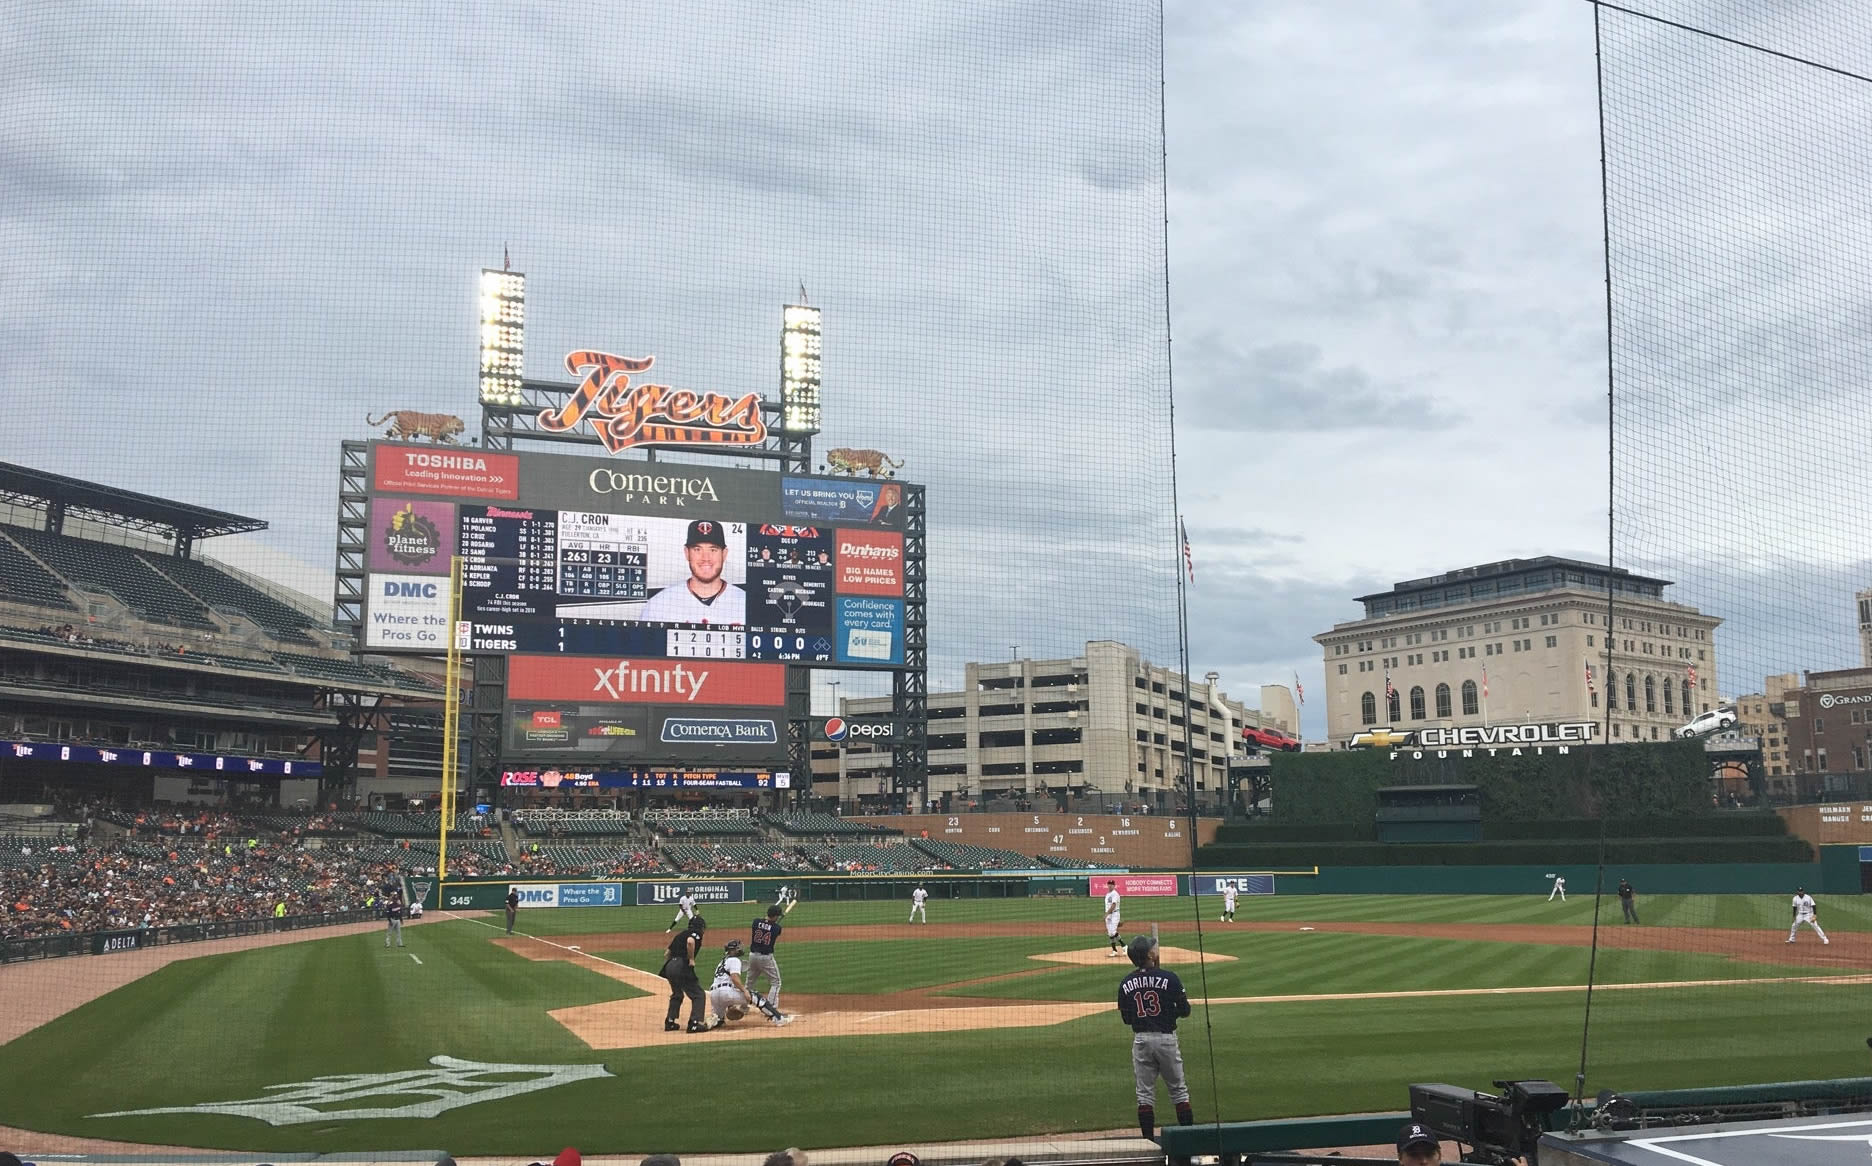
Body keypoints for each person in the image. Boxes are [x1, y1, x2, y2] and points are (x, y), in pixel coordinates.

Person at [1118, 934, 1192, 1139]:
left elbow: (1126, 1019)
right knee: (1179, 1091)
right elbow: (1185, 1010)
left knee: (1144, 1095)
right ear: (1149, 954)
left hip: (1141, 1040)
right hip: (1166, 1039)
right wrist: (1168, 1013)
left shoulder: (1126, 983)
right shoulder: (1170, 978)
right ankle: (1188, 1140)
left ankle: (1148, 1143)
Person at [639, 520, 746, 625]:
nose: (706, 558)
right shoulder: (658, 605)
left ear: (724, 554)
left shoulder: (746, 603)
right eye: (697, 550)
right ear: (687, 553)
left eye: (713, 550)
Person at [707, 938, 790, 1028]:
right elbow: (734, 977)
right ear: (733, 950)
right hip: (725, 993)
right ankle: (778, 1019)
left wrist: (730, 1005)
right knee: (756, 996)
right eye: (737, 948)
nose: (740, 949)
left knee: (719, 1021)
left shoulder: (721, 962)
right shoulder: (734, 960)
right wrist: (744, 990)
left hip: (714, 996)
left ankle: (713, 1022)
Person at [662, 915, 710, 1033]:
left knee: (677, 994)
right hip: (681, 965)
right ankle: (695, 1023)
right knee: (698, 994)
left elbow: (667, 953)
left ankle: (670, 1021)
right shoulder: (695, 933)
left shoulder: (680, 934)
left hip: (669, 966)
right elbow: (690, 942)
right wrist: (691, 959)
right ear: (701, 927)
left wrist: (671, 967)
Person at [747, 904, 791, 1019]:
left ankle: (742, 1007)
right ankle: (771, 1010)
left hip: (752, 956)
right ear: (776, 916)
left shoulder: (756, 922)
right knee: (776, 983)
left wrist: (768, 923)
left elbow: (763, 924)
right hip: (765, 958)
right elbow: (774, 930)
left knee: (749, 984)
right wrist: (772, 924)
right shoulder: (777, 928)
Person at [1104, 880, 1123, 956]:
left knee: (1113, 932)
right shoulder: (1107, 894)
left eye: (1112, 884)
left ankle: (1124, 945)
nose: (1110, 885)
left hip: (1114, 914)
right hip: (1109, 915)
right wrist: (1107, 914)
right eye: (1109, 884)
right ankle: (1114, 950)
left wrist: (1107, 913)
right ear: (1107, 885)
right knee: (1110, 933)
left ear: (1114, 885)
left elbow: (1114, 905)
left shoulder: (1115, 894)